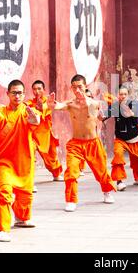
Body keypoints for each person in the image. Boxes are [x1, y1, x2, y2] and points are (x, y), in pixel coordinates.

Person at [0, 80, 41, 242]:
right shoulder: (1, 112)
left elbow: (35, 120)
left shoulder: (29, 110)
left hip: (23, 162)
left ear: (24, 94)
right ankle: (1, 228)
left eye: (20, 92)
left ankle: (21, 219)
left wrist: (34, 118)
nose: (17, 95)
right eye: (14, 92)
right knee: (4, 192)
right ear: (7, 94)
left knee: (25, 196)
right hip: (3, 162)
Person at [48, 75, 116, 212]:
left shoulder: (94, 104)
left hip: (93, 143)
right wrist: (52, 105)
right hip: (75, 144)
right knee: (71, 172)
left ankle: (107, 191)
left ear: (85, 87)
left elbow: (101, 117)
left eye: (80, 86)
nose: (77, 89)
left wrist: (111, 108)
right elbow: (59, 105)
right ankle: (71, 200)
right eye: (74, 87)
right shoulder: (70, 104)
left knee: (101, 171)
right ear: (71, 88)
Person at [104, 85, 138, 191]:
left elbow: (135, 114)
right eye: (120, 94)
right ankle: (119, 181)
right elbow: (104, 116)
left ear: (128, 95)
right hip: (120, 138)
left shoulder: (133, 104)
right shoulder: (115, 106)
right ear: (117, 95)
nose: (123, 96)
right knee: (118, 156)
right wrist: (99, 115)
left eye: (125, 94)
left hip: (134, 137)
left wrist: (130, 113)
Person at [25, 80, 64, 186]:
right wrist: (33, 108)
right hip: (32, 135)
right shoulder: (30, 102)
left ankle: (56, 174)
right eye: (34, 89)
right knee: (30, 156)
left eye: (39, 89)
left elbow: (48, 107)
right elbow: (26, 108)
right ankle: (29, 181)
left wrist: (42, 107)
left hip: (46, 134)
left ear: (44, 90)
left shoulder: (48, 101)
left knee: (51, 158)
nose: (36, 91)